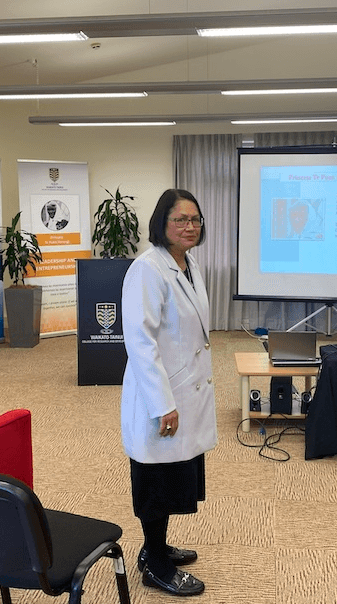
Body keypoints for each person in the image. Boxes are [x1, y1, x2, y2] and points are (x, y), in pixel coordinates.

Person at [121, 188, 216, 597]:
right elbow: (140, 343)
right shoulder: (147, 269)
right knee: (156, 480)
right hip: (160, 396)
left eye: (194, 219)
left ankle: (154, 548)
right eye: (180, 220)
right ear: (162, 224)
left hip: (186, 389)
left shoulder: (188, 263)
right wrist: (163, 404)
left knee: (175, 475)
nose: (189, 226)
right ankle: (155, 566)